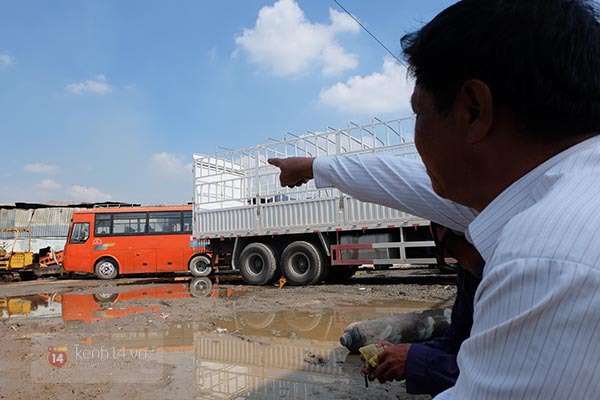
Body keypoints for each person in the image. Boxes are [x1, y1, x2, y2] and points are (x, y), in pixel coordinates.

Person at [269, 1, 600, 398]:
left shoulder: (546, 258)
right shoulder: (564, 184)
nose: (417, 138)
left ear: (473, 110)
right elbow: (409, 182)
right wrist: (314, 167)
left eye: (418, 113)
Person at [360, 223, 483, 397]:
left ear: (441, 231)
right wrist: (402, 352)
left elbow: (491, 375)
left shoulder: (505, 277)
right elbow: (455, 342)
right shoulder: (468, 275)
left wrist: (412, 360)